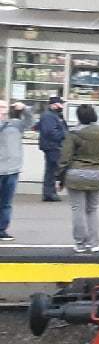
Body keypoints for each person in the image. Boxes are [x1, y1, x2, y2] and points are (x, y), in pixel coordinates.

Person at [58, 104, 99, 254]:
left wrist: (60, 177)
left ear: (79, 117)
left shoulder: (73, 133)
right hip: (97, 173)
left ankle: (80, 243)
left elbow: (65, 157)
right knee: (92, 209)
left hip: (76, 174)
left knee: (77, 210)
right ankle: (94, 243)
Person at [0, 101, 35, 241]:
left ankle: (2, 230)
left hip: (12, 169)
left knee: (6, 202)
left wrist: (25, 109)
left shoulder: (15, 124)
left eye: (4, 107)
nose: (2, 110)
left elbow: (30, 121)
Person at [37, 96, 66, 202]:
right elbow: (50, 132)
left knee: (53, 170)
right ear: (53, 105)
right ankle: (49, 194)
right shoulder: (48, 116)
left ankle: (51, 192)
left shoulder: (55, 115)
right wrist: (64, 135)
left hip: (54, 146)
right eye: (60, 104)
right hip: (52, 146)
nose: (62, 106)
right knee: (51, 170)